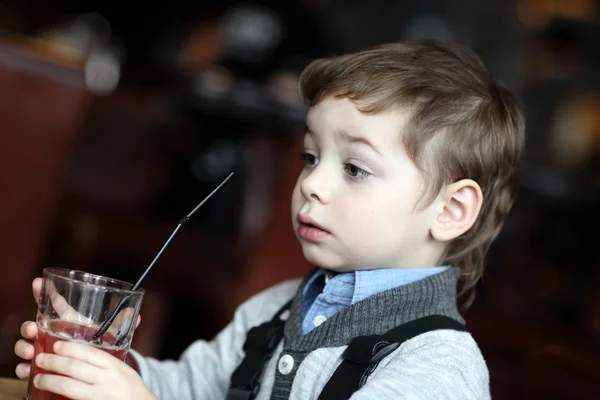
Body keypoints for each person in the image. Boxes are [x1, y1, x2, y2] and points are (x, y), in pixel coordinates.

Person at [14, 39, 525, 399]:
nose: (311, 184)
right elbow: (190, 390)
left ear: (450, 210)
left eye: (354, 168)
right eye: (310, 156)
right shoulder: (277, 309)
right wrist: (99, 365)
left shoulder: (434, 371)